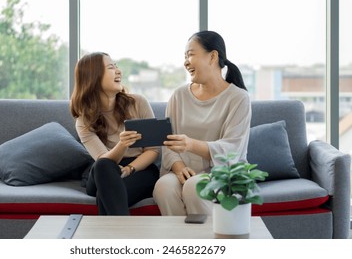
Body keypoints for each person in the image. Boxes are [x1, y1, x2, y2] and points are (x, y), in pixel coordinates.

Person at [153, 30, 251, 216]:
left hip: (224, 172)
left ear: (212, 56)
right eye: (184, 56)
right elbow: (167, 143)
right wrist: (179, 167)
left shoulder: (238, 98)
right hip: (184, 169)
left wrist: (191, 144)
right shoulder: (179, 95)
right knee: (163, 187)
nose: (185, 62)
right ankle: (180, 242)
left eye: (190, 54)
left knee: (195, 187)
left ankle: (207, 242)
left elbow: (233, 149)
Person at [70, 52, 159, 215]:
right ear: (94, 77)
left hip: (139, 168)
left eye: (116, 66)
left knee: (105, 194)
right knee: (103, 166)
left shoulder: (138, 102)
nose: (118, 71)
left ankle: (116, 235)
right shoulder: (83, 120)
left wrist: (129, 169)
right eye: (111, 67)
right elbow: (103, 159)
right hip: (105, 169)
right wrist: (122, 144)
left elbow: (153, 150)